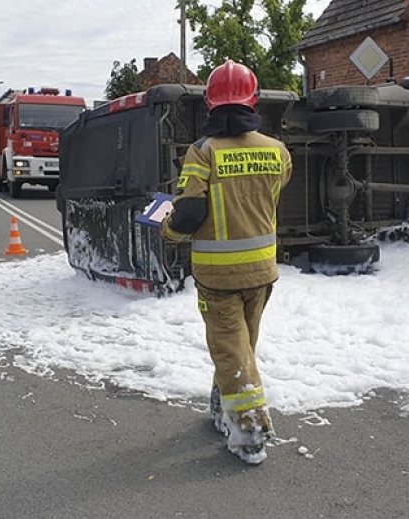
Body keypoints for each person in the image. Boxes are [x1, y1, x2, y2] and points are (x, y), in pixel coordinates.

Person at [160, 60, 293, 465]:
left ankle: (250, 431)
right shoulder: (277, 151)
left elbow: (187, 215)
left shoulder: (203, 152)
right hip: (263, 273)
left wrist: (167, 230)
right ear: (252, 100)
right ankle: (223, 408)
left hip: (218, 276)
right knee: (241, 347)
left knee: (230, 349)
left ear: (211, 104)